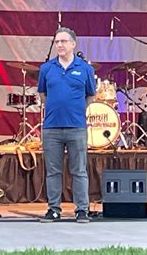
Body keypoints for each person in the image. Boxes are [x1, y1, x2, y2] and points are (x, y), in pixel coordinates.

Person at [37, 27, 96, 223]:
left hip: (77, 127)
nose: (60, 45)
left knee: (79, 170)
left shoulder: (85, 68)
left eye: (63, 41)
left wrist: (76, 111)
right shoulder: (46, 69)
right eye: (57, 42)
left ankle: (82, 209)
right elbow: (43, 94)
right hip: (52, 128)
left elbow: (91, 95)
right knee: (53, 171)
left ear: (73, 44)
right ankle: (54, 208)